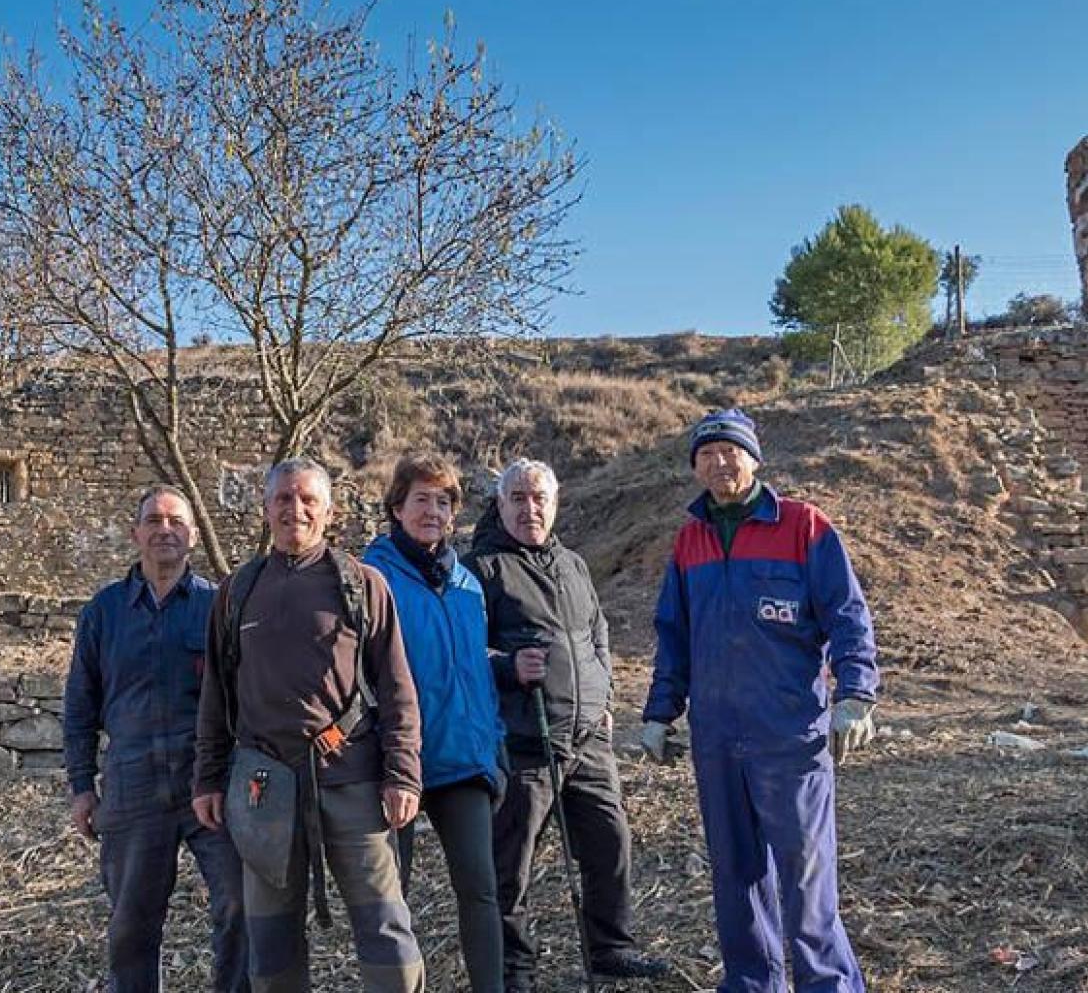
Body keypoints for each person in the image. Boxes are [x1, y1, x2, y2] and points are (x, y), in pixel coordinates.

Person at [640, 408, 879, 993]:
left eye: (731, 451)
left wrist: (855, 694)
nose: (719, 463)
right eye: (706, 454)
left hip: (788, 732)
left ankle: (828, 985)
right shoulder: (689, 540)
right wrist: (658, 712)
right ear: (695, 466)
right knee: (735, 872)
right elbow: (674, 632)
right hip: (717, 736)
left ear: (754, 458)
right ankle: (752, 982)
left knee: (805, 874)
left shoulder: (804, 527)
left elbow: (848, 615)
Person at [193, 458, 427, 993]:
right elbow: (216, 696)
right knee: (271, 940)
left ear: (328, 511)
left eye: (307, 500)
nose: (294, 510)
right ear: (266, 509)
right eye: (282, 499)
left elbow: (396, 689)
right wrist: (207, 779)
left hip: (351, 777)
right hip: (263, 786)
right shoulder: (237, 591)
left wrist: (403, 774)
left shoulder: (362, 585)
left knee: (386, 927)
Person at [467, 458, 670, 993]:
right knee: (511, 869)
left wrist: (603, 693)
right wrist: (507, 667)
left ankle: (612, 947)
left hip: (586, 741)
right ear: (501, 504)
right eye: (519, 499)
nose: (530, 508)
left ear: (554, 505)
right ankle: (515, 970)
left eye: (540, 499)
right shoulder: (482, 569)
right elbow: (464, 652)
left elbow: (597, 631)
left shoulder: (573, 563)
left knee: (609, 842)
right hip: (525, 741)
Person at [63, 485, 249, 993]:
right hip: (132, 785)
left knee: (239, 905)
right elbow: (80, 705)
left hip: (210, 784)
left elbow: (245, 697)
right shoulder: (104, 612)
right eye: (154, 520)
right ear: (135, 533)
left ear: (191, 534)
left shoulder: (220, 607)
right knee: (131, 925)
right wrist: (82, 787)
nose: (165, 529)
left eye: (176, 521)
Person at [361, 453, 507, 993]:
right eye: (421, 498)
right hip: (391, 762)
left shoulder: (468, 582)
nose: (433, 510)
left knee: (480, 889)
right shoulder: (371, 578)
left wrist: (495, 746)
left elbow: (478, 670)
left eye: (443, 501)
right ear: (396, 507)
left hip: (462, 758)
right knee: (389, 898)